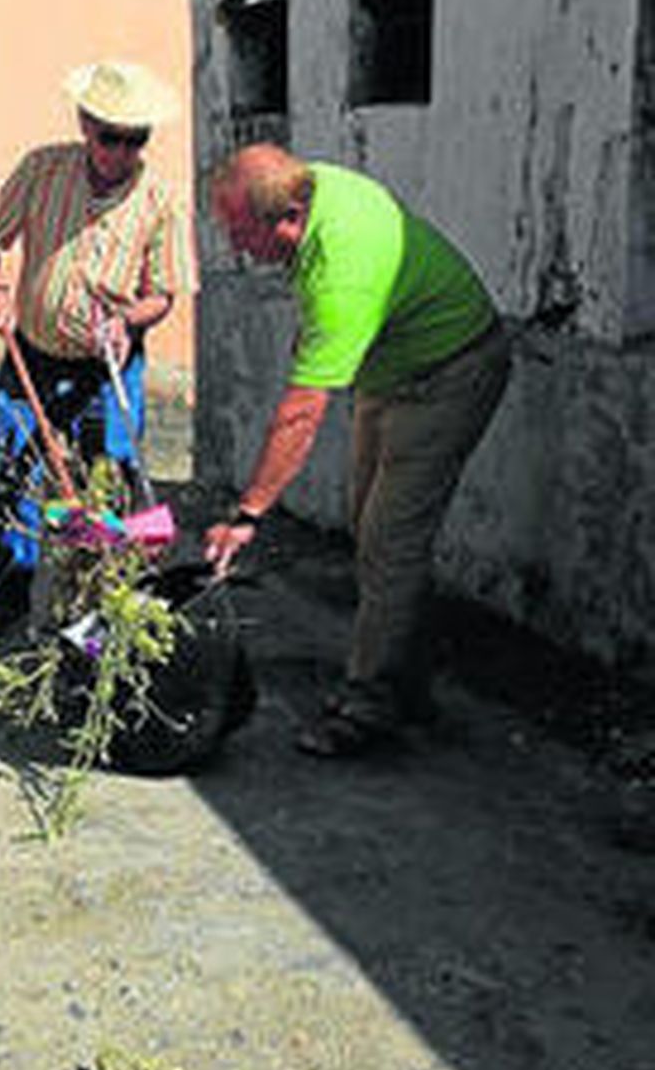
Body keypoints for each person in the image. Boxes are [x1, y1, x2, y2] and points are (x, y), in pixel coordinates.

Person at [202, 144, 511, 758]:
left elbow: (301, 414)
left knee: (391, 539)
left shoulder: (341, 267)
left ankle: (370, 703)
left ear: (287, 217)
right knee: (368, 528)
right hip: (390, 370)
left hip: (448, 374)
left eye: (240, 232)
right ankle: (410, 682)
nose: (235, 248)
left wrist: (248, 516)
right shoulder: (312, 187)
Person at [0, 59, 190, 643]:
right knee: (9, 482)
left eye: (136, 140)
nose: (122, 152)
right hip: (31, 357)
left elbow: (163, 292)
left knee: (106, 496)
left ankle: (92, 620)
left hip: (107, 371)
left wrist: (127, 321)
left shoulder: (160, 198)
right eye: (111, 137)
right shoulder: (43, 169)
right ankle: (7, 604)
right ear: (85, 125)